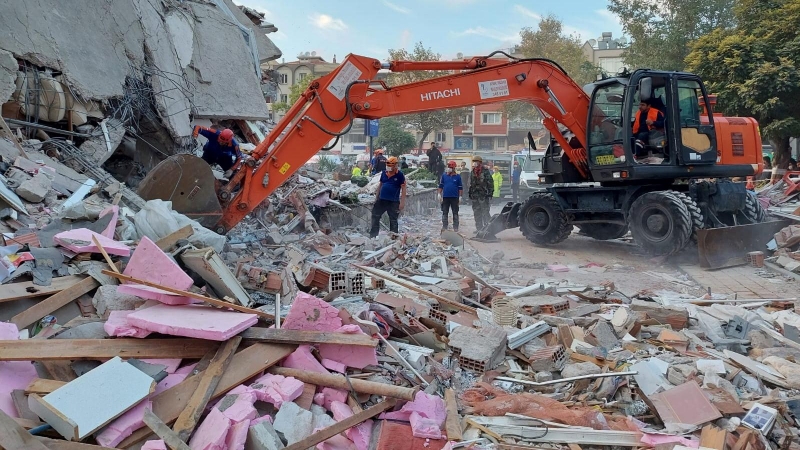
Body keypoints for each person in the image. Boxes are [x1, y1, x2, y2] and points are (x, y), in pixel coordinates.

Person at [369, 156, 406, 238]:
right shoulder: (384, 173)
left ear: (395, 165)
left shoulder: (400, 175)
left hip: (393, 202)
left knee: (393, 220)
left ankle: (393, 237)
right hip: (382, 200)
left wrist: (402, 203)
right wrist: (376, 197)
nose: (388, 166)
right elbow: (380, 185)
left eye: (390, 165)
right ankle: (373, 235)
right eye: (387, 164)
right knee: (375, 216)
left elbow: (403, 189)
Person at [468, 155, 493, 233]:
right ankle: (479, 229)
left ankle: (488, 229)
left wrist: (490, 193)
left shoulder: (485, 171)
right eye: (474, 161)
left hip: (484, 195)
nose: (475, 163)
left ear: (480, 162)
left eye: (476, 161)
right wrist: (470, 193)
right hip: (475, 196)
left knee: (485, 212)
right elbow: (471, 184)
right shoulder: (472, 172)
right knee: (476, 212)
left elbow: (490, 183)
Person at [438, 160, 463, 232]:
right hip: (445, 197)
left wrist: (460, 197)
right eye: (448, 167)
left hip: (454, 197)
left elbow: (460, 187)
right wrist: (439, 194)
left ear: (453, 168)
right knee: (445, 212)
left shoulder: (458, 177)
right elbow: (441, 185)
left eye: (449, 167)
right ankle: (445, 226)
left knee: (455, 212)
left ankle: (455, 227)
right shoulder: (444, 176)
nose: (448, 168)